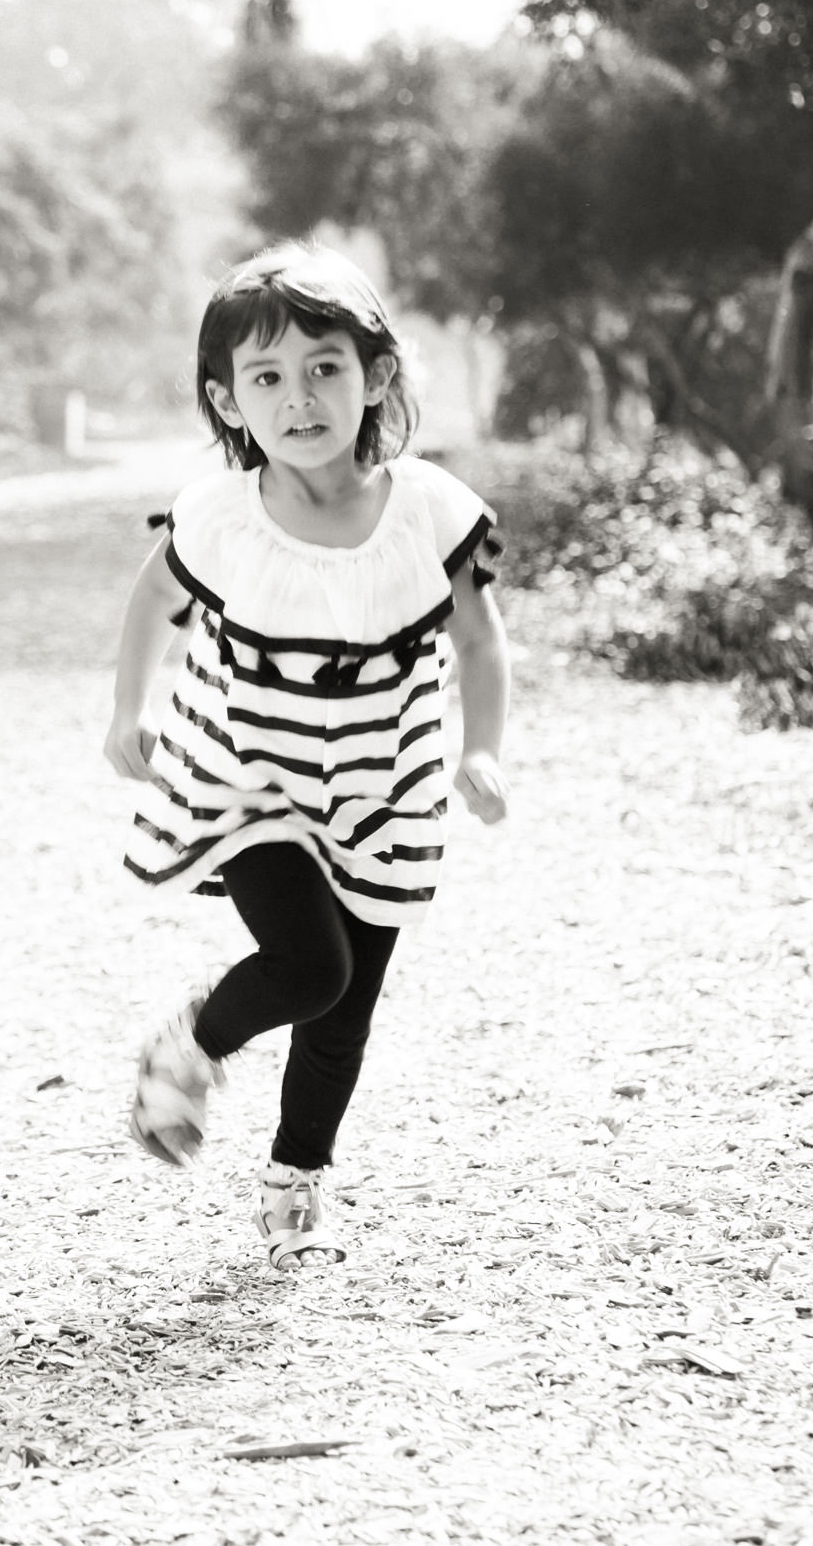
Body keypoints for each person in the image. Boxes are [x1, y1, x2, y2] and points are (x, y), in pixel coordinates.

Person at [103, 242, 510, 1273]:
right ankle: (193, 1039)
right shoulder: (223, 515)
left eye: (323, 368)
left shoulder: (426, 510)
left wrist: (484, 750)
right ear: (227, 400)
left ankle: (297, 1180)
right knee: (310, 968)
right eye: (266, 377)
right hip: (251, 779)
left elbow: (477, 638)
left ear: (374, 377)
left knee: (345, 1008)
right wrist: (127, 711)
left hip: (384, 784)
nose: (298, 398)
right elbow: (153, 598)